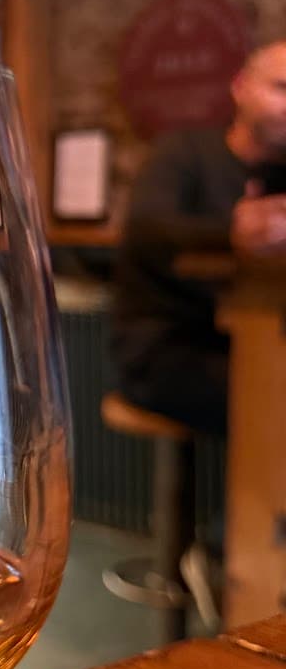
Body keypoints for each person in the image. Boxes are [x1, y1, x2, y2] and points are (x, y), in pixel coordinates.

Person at [113, 40, 286, 436]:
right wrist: (231, 234)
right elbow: (147, 229)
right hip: (170, 350)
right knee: (270, 395)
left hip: (259, 348)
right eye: (281, 88)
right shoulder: (185, 153)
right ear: (240, 87)